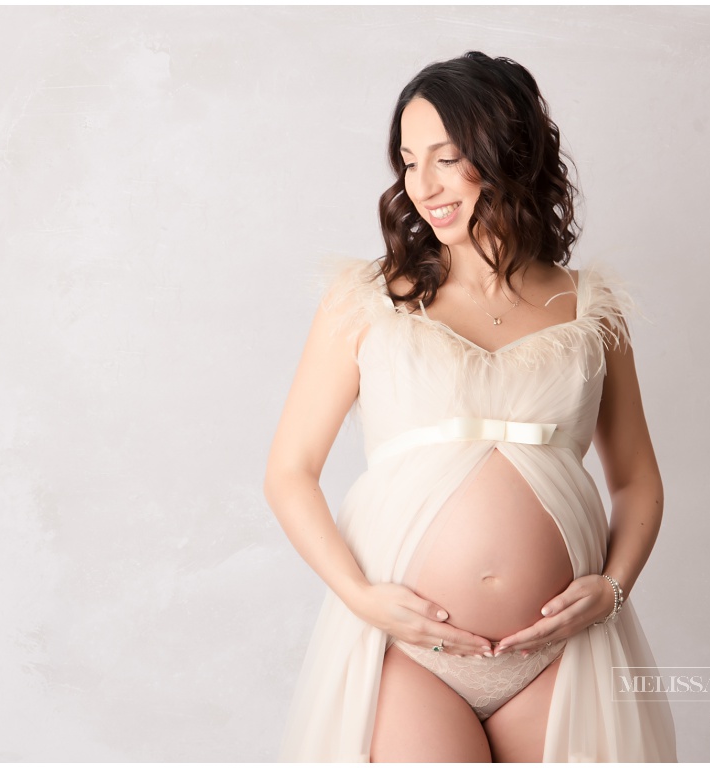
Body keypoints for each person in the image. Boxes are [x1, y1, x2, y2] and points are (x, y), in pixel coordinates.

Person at [264, 51, 678, 762]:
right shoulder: (366, 302)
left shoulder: (590, 308)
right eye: (407, 161)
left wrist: (612, 588)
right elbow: (289, 472)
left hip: (560, 653)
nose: (422, 185)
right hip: (406, 654)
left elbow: (637, 479)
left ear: (506, 152)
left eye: (446, 157)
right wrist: (361, 599)